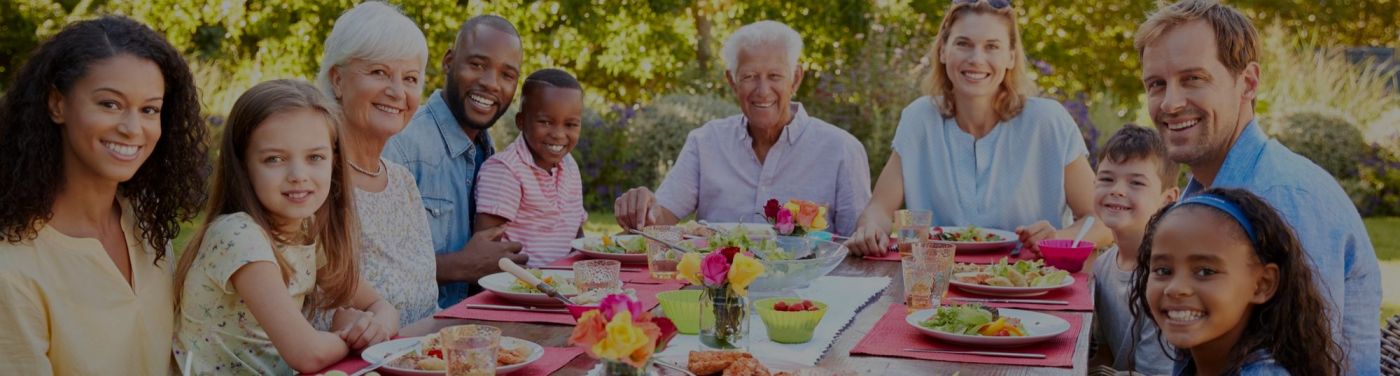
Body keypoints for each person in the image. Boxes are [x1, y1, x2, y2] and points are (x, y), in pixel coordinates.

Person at [1134, 1, 1381, 372]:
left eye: (1193, 79)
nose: (1170, 103)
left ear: (1247, 82)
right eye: (1157, 84)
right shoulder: (1203, 194)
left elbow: (1300, 362)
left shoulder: (1282, 197)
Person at [0, 16, 208, 375]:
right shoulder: (13, 269)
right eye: (110, 104)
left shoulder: (143, 221)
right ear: (57, 104)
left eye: (149, 110)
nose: (132, 128)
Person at [846, 0, 1110, 257]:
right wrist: (870, 229)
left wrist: (1056, 239)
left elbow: (1101, 221)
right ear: (943, 51)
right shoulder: (919, 119)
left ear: (1010, 57)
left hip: (1030, 286)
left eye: (992, 46)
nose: (976, 58)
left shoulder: (1048, 122)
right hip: (938, 284)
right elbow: (879, 209)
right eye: (963, 44)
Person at [172, 80, 398, 374]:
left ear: (334, 162)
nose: (298, 175)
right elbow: (308, 355)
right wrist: (349, 335)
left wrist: (374, 326)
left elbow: (383, 306)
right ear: (243, 166)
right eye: (275, 159)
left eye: (315, 157)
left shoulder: (303, 231)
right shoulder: (238, 236)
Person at [613, 20, 871, 236]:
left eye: (774, 76)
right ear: (732, 81)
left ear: (795, 79)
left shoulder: (841, 149)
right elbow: (660, 219)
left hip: (810, 295)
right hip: (718, 296)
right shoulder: (705, 142)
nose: (762, 91)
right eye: (749, 77)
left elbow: (859, 244)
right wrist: (643, 208)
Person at [384, 15, 526, 307]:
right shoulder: (401, 146)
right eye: (477, 65)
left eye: (507, 75)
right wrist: (461, 266)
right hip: (412, 338)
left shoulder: (490, 153)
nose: (491, 84)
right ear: (449, 61)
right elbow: (369, 270)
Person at [1128, 188, 1344, 375]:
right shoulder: (1197, 359)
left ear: (1262, 284)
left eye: (1205, 272)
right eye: (1163, 270)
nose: (1176, 288)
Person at [315, 0, 438, 327]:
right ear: (338, 80)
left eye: (410, 78)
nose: (398, 92)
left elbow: (426, 297)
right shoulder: (314, 179)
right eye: (379, 72)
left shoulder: (402, 181)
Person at [475, 69, 588, 266]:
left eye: (570, 125)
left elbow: (575, 231)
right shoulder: (505, 170)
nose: (558, 134)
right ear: (521, 121)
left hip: (563, 286)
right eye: (545, 122)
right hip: (516, 288)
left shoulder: (569, 166)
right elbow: (485, 254)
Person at [1090, 126, 1180, 374]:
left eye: (1136, 182)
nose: (1117, 190)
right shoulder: (1103, 265)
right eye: (1106, 178)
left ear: (1168, 199)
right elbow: (1105, 355)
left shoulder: (1165, 280)